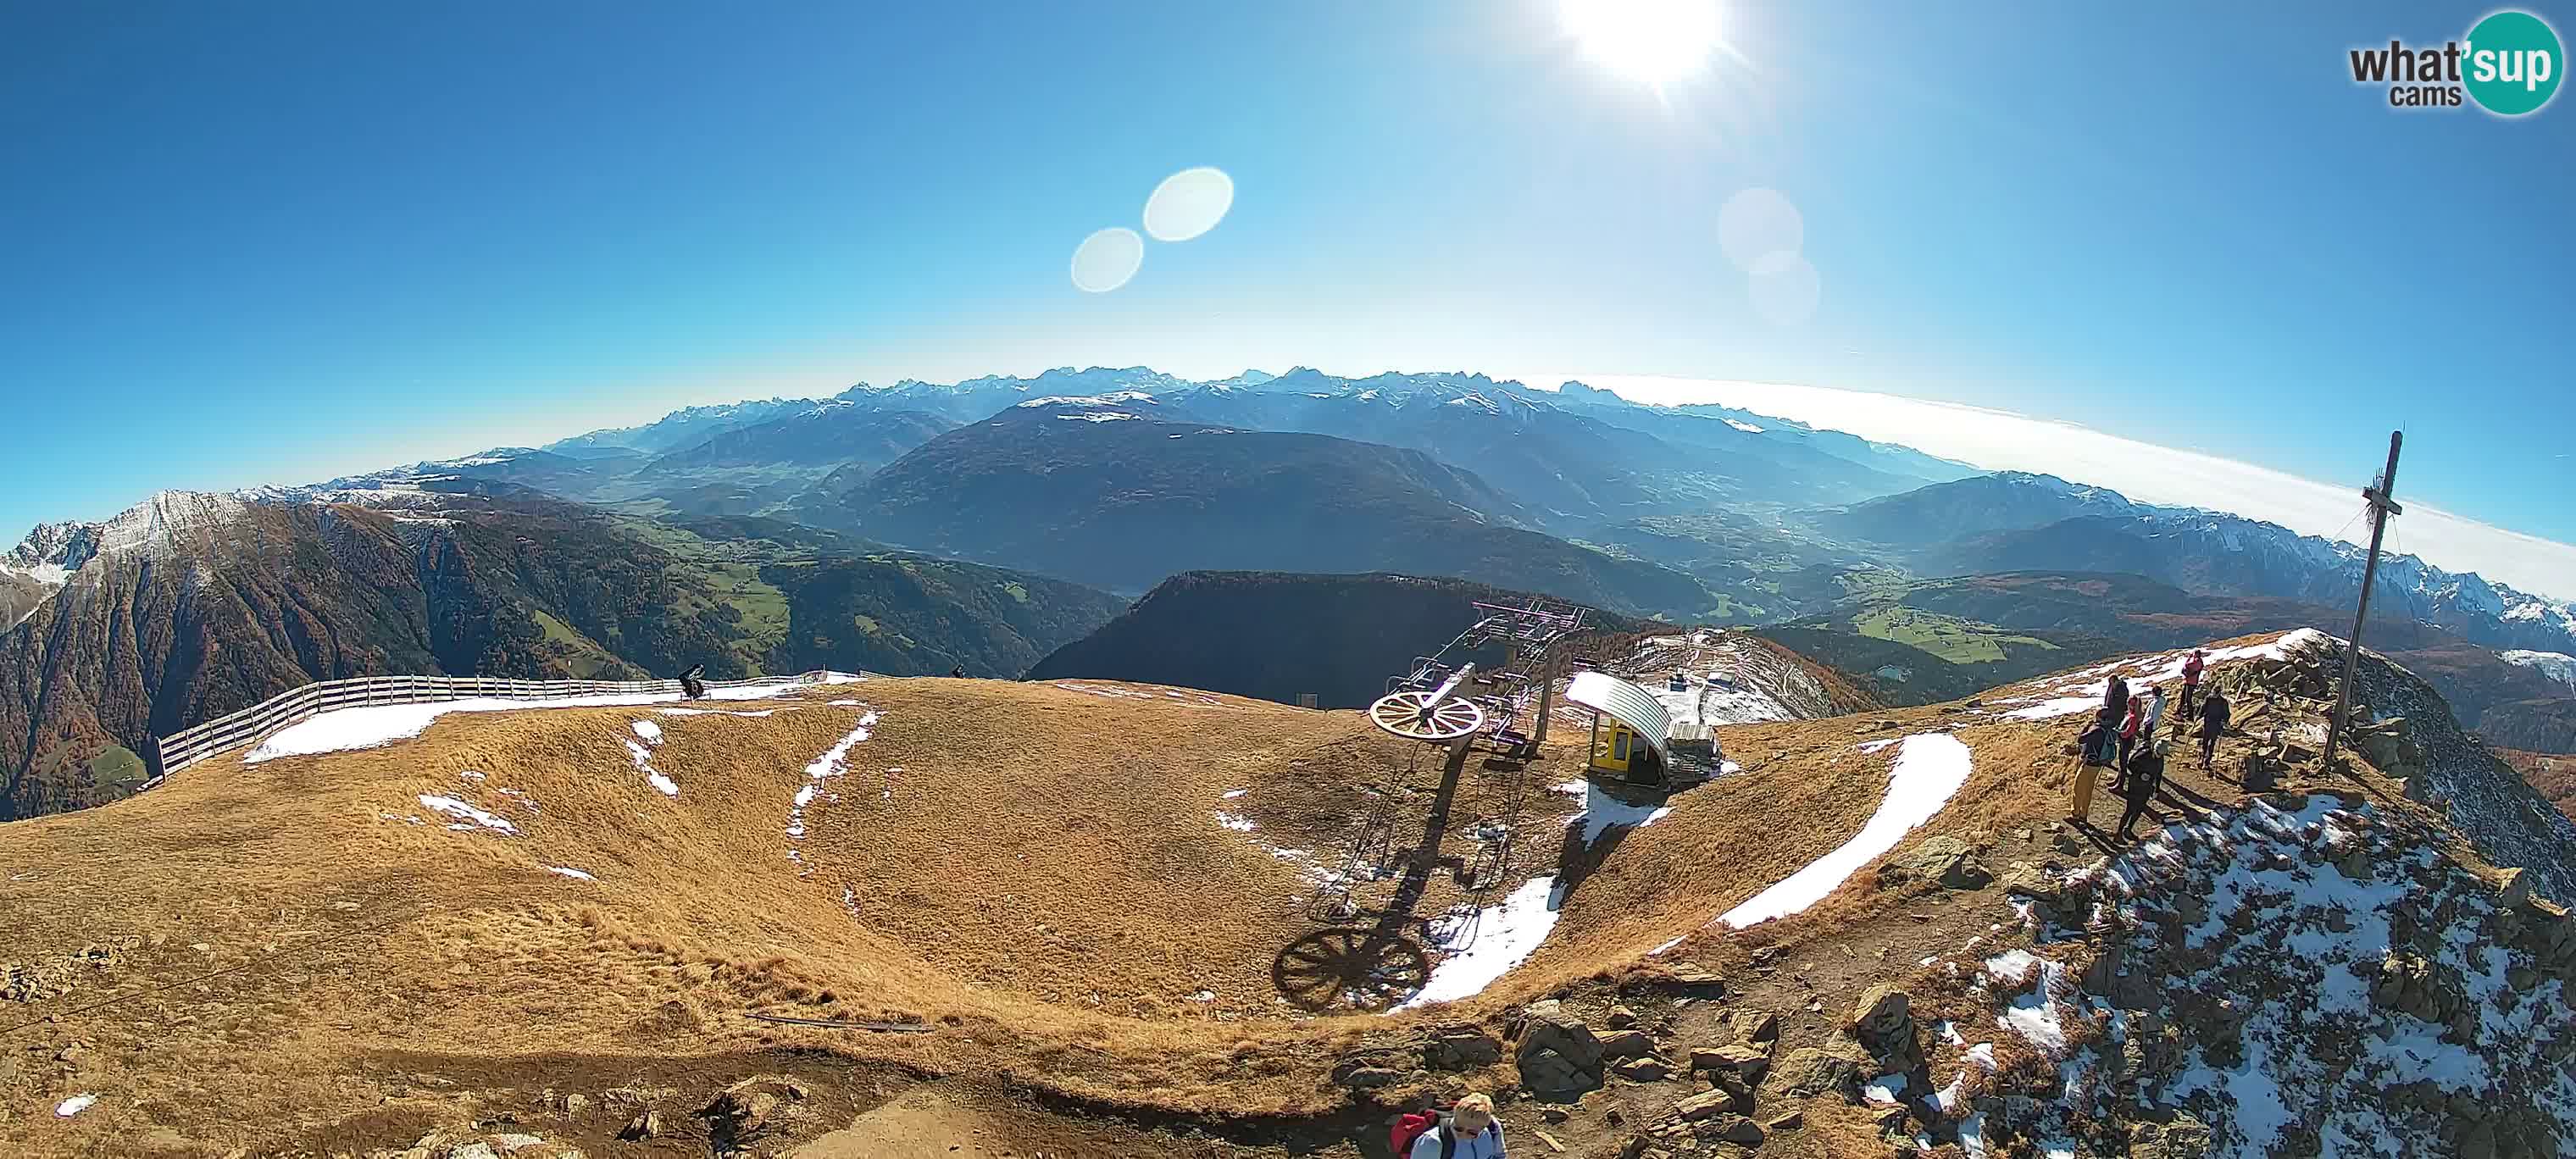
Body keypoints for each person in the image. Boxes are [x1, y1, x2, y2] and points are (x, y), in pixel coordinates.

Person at [1402, 1093, 1506, 1159]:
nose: (1463, 1135)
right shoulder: (1432, 1142)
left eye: (1472, 1133)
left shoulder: (1493, 1129)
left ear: (1484, 1127)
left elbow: (1499, 1156)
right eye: (1458, 1128)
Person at [2116, 739, 2168, 842]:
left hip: (2147, 787)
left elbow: (2159, 774)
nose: (2158, 756)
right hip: (2135, 785)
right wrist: (2140, 774)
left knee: (2139, 809)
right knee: (2130, 809)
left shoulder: (2160, 759)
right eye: (2157, 753)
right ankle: (2119, 833)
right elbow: (2130, 765)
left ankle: (2129, 829)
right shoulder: (2144, 754)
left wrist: (2156, 789)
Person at [2196, 685, 2232, 770]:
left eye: (2216, 693)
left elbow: (2227, 713)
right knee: (2205, 741)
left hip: (2216, 724)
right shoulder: (2209, 698)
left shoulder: (2223, 702)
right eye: (2213, 692)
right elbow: (2203, 708)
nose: (2214, 694)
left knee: (2211, 742)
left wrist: (2224, 721)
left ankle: (2207, 762)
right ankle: (2203, 757)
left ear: (2219, 693)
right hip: (2207, 722)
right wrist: (2198, 715)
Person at [2179, 650, 2206, 718]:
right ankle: (2180, 710)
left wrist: (2189, 658)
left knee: (2188, 698)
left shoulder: (2198, 662)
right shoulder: (2197, 661)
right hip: (2189, 681)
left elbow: (2187, 665)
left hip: (2191, 682)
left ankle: (2190, 714)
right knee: (2183, 696)